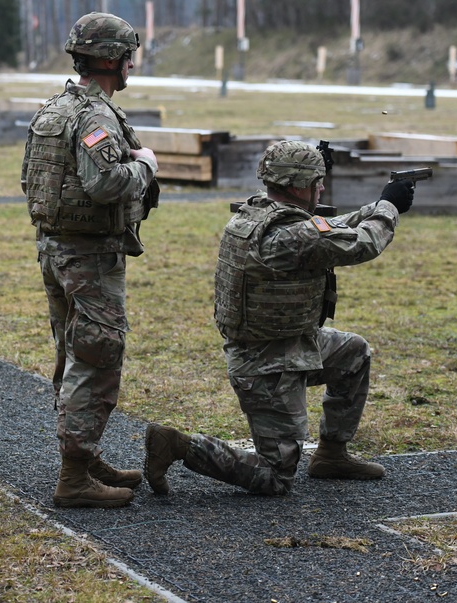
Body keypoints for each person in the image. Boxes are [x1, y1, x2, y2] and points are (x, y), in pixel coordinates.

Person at [144, 140, 416, 497]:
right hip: (267, 367)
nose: (322, 187)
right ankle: (178, 446)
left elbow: (325, 229)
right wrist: (388, 208)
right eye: (317, 181)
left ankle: (332, 455)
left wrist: (372, 207)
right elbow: (362, 243)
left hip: (291, 343)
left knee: (353, 353)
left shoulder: (259, 212)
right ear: (297, 186)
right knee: (275, 477)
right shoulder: (288, 235)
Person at [21, 12, 160, 509]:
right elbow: (104, 184)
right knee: (96, 358)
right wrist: (143, 168)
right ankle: (75, 476)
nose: (130, 67)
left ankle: (84, 456)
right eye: (126, 58)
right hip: (87, 256)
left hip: (55, 248)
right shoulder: (95, 116)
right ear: (110, 59)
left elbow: (30, 178)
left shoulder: (55, 108)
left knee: (73, 354)